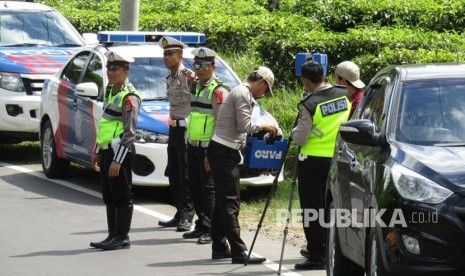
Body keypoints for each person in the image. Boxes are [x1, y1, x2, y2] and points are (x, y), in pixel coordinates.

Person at [206, 66, 278, 264]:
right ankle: (239, 251)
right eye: (265, 90)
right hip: (223, 151)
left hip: (224, 149)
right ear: (262, 82)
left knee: (223, 200)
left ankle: (220, 247)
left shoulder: (240, 92)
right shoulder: (243, 93)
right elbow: (245, 126)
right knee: (230, 201)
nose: (263, 95)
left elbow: (239, 133)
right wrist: (266, 126)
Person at [291, 61, 351, 270]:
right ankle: (333, 248)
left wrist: (292, 132)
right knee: (332, 207)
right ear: (324, 76)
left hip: (312, 162)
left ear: (306, 81)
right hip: (338, 159)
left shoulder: (309, 103)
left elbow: (300, 138)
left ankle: (317, 255)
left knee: (312, 209)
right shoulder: (345, 94)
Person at [90, 50, 141, 250]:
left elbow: (130, 133)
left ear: (126, 71)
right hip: (106, 151)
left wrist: (117, 160)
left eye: (115, 68)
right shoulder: (112, 92)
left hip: (119, 153)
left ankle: (122, 237)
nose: (111, 72)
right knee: (109, 195)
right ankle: (112, 235)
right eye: (109, 68)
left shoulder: (129, 97)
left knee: (122, 195)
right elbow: (105, 124)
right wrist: (97, 150)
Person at [183, 47, 230, 244]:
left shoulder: (218, 90)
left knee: (209, 189)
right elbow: (192, 117)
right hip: (193, 145)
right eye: (197, 65)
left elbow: (219, 123)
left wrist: (210, 153)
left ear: (213, 66)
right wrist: (187, 145)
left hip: (207, 148)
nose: (200, 69)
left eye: (204, 65)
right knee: (195, 187)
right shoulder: (195, 86)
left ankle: (210, 229)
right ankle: (202, 223)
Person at [157, 37, 196, 232]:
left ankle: (188, 215)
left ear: (180, 56)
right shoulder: (170, 78)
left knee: (185, 173)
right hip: (173, 129)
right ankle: (179, 211)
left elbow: (197, 106)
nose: (166, 57)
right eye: (164, 54)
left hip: (186, 130)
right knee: (173, 172)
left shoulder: (189, 77)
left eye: (170, 53)